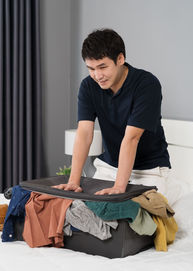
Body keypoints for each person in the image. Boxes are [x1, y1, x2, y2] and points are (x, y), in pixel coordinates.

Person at [54, 28, 171, 196]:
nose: (97, 75)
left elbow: (132, 138)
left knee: (126, 214)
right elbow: (84, 134)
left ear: (120, 59)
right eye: (91, 68)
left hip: (150, 170)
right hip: (109, 167)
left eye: (103, 67)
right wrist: (73, 180)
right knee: (79, 209)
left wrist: (119, 188)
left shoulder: (146, 84)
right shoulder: (88, 86)